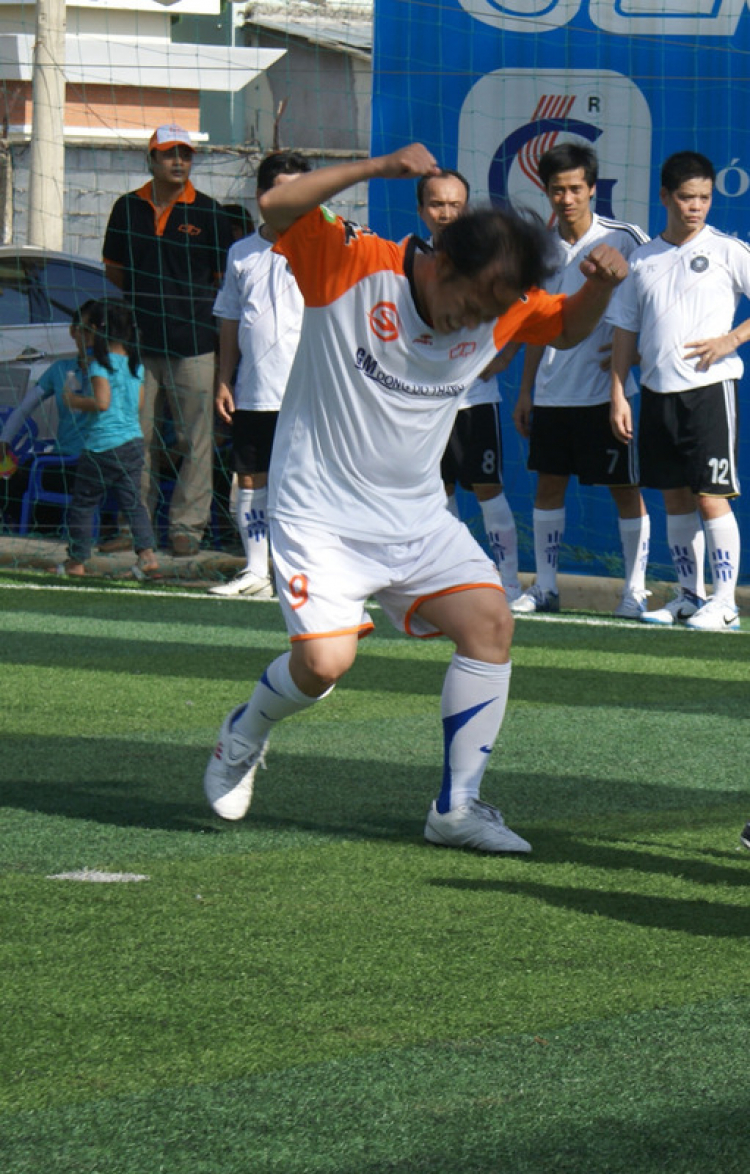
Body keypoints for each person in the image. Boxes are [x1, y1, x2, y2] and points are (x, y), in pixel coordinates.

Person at [202, 142, 629, 853]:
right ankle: (244, 733)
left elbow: (566, 325)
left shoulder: (506, 301)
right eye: (469, 303)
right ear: (443, 262)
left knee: (491, 623)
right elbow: (275, 207)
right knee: (323, 667)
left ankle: (456, 811)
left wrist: (602, 287)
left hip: (416, 515)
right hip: (320, 514)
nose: (474, 324)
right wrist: (374, 169)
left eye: (491, 312)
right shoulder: (352, 262)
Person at [609, 150, 750, 630]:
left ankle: (726, 601)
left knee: (712, 495)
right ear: (665, 196)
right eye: (687, 197)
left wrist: (731, 340)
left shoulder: (729, 250)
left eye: (705, 198)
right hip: (656, 393)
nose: (696, 207)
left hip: (710, 391)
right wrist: (617, 393)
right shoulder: (643, 258)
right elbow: (625, 331)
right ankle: (690, 596)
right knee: (674, 496)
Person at [511, 142, 651, 618]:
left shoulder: (626, 240)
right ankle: (545, 588)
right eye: (556, 190)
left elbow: (651, 311)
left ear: (593, 189)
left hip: (608, 397)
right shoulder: (539, 250)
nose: (566, 198)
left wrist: (633, 360)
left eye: (575, 189)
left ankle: (635, 591)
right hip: (552, 394)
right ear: (545, 192)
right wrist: (527, 390)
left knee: (625, 491)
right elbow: (535, 324)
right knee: (548, 486)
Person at [102, 124, 234, 557]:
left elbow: (220, 280)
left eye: (186, 154)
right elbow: (116, 270)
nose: (179, 162)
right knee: (134, 437)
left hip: (194, 342)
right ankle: (133, 527)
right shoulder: (126, 208)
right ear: (151, 159)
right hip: (137, 343)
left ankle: (186, 529)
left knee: (194, 440)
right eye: (169, 154)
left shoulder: (210, 212)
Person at [416, 170, 523, 600]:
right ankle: (449, 578)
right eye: (437, 205)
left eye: (454, 205)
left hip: (474, 398)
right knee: (436, 492)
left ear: (467, 207)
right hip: (424, 401)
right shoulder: (411, 256)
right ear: (422, 209)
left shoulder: (488, 255)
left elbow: (526, 306)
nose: (445, 214)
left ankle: (510, 582)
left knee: (487, 487)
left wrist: (506, 355)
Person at [209, 150, 311, 599]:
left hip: (313, 392)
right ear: (261, 197)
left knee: (310, 482)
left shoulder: (326, 248)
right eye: (282, 190)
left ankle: (307, 573)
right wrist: (224, 379)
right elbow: (230, 320)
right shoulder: (241, 253)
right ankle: (256, 571)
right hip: (256, 390)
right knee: (251, 478)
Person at [58, 300, 158, 579]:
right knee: (132, 501)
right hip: (133, 442)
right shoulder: (134, 364)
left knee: (83, 503)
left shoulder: (99, 365)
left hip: (103, 444)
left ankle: (77, 561)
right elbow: (138, 404)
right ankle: (147, 555)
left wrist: (74, 400)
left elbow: (102, 402)